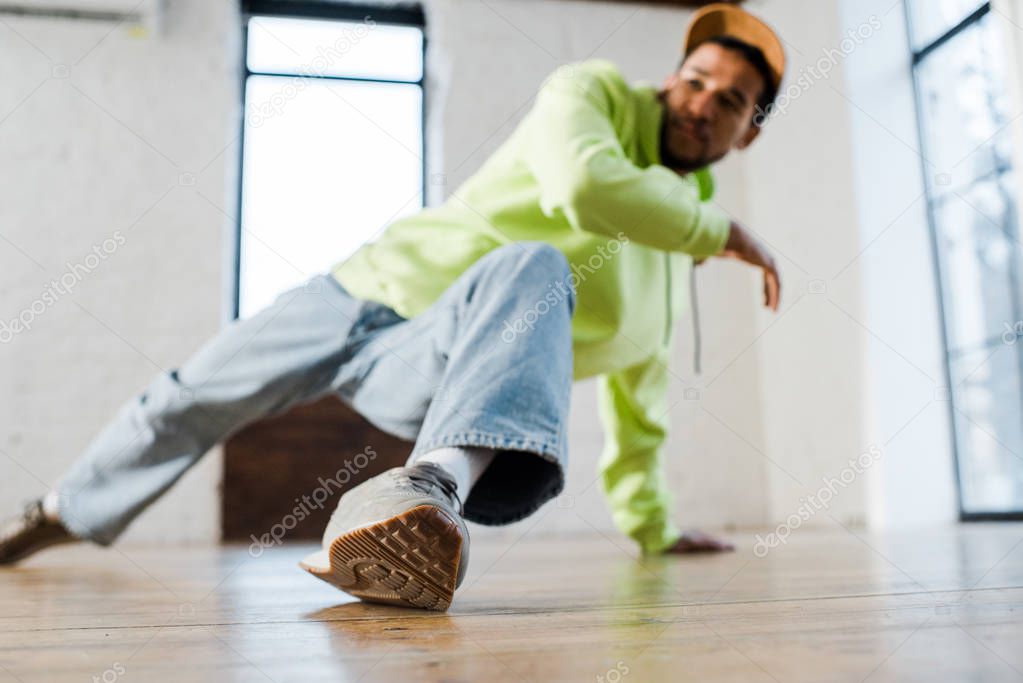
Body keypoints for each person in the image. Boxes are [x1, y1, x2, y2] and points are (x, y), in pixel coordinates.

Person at [0, 3, 785, 611]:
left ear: (745, 134)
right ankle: (58, 510)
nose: (701, 103)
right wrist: (724, 232)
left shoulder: (668, 271)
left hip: (430, 359)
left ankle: (425, 495)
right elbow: (583, 184)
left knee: (536, 266)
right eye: (695, 79)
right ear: (669, 76)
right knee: (189, 395)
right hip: (360, 292)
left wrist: (654, 528)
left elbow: (640, 407)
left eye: (729, 101)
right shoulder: (595, 94)